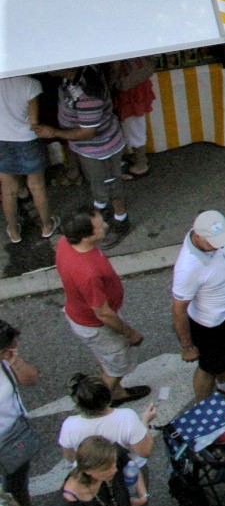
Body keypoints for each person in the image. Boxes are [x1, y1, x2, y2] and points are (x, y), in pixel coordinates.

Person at [56, 209, 147, 406]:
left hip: (81, 314)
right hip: (97, 325)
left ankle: (118, 393)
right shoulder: (87, 273)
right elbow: (103, 313)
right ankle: (99, 405)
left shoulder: (65, 243)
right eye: (99, 226)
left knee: (107, 358)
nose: (105, 225)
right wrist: (129, 333)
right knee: (116, 367)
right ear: (85, 236)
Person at [169, 209, 225, 403]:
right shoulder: (188, 267)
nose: (219, 246)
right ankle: (204, 410)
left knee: (221, 355)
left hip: (224, 315)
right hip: (209, 325)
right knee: (207, 368)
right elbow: (178, 309)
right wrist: (187, 346)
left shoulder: (212, 244)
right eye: (213, 243)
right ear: (198, 236)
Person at [44, 67, 131, 241]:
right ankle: (100, 209)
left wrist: (53, 132)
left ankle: (121, 219)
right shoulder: (79, 75)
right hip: (89, 149)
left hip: (101, 150)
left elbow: (87, 133)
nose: (48, 67)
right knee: (97, 182)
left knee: (110, 185)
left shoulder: (89, 95)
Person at [56, 375, 154, 498]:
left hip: (94, 479)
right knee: (133, 505)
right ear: (108, 396)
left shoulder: (70, 425)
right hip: (128, 476)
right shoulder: (127, 417)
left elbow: (71, 457)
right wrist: (144, 422)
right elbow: (145, 451)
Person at [0, 75, 54, 244]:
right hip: (27, 139)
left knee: (8, 191)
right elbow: (34, 121)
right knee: (37, 187)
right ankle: (46, 226)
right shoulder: (31, 84)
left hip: (1, 140)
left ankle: (14, 232)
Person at [0, 320, 40, 506]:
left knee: (17, 479)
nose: (17, 348)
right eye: (12, 346)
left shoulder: (7, 362)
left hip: (13, 434)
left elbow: (30, 379)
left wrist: (15, 361)